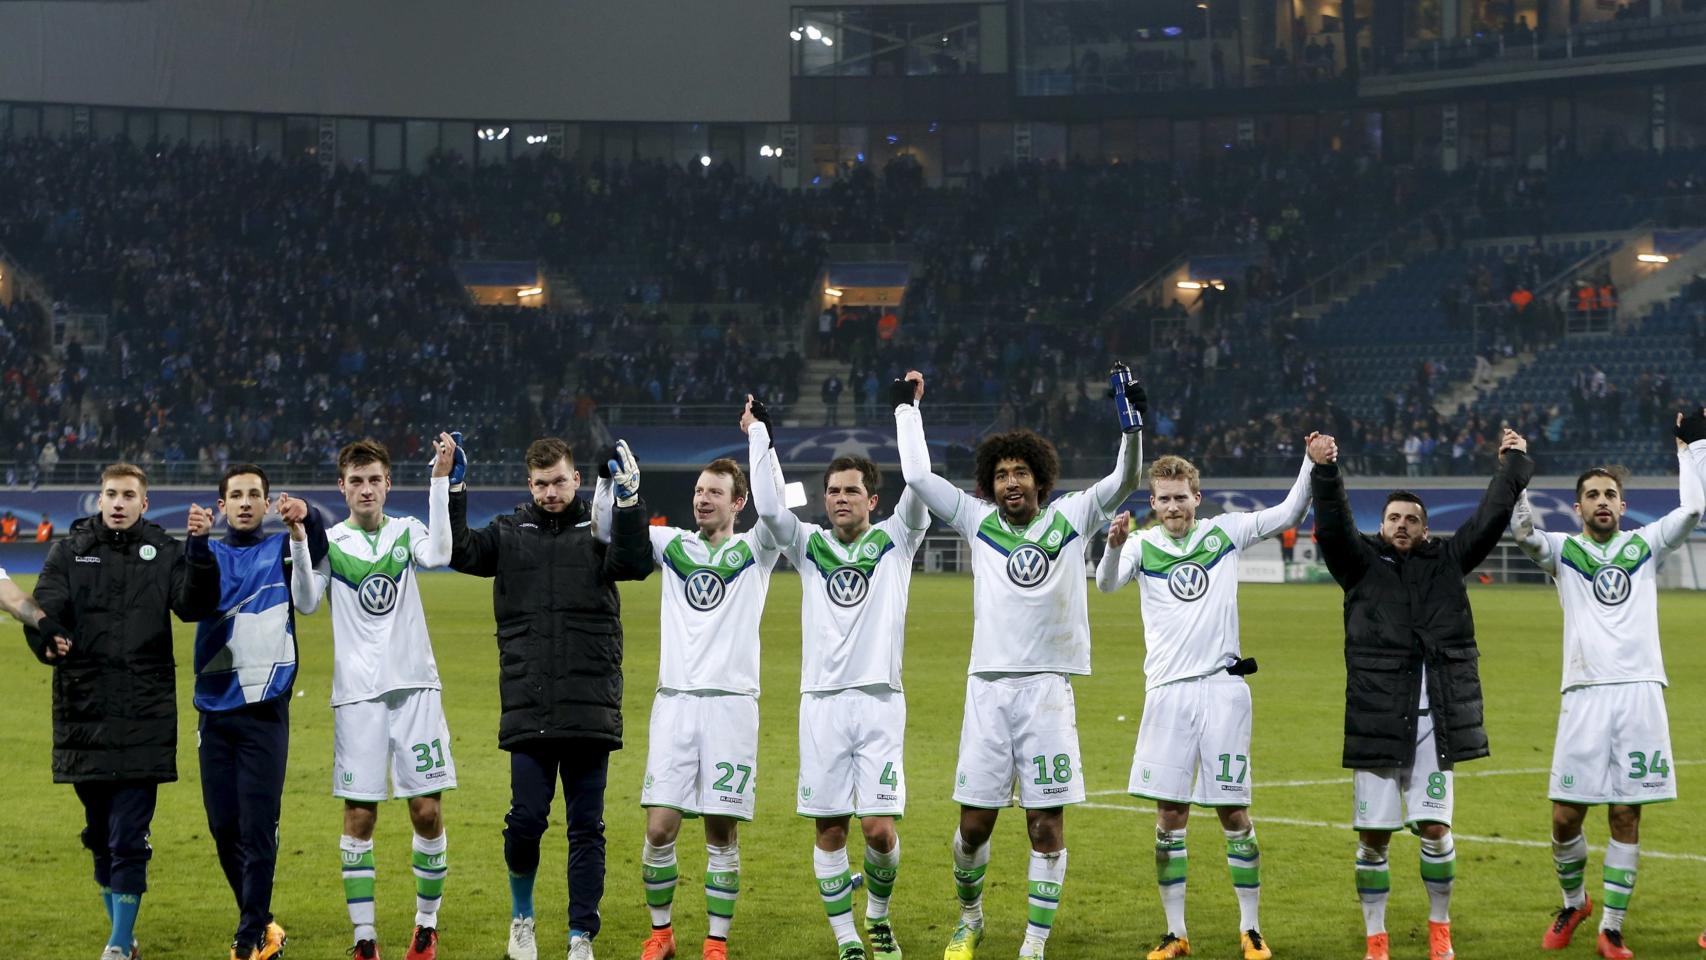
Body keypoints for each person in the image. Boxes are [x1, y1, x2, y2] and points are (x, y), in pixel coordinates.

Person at [896, 366, 1145, 960]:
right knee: (973, 828)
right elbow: (917, 474)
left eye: (1021, 472)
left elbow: (1126, 477)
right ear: (989, 483)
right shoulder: (977, 521)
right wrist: (907, 408)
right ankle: (971, 917)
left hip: (1047, 694)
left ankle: (1033, 944)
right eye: (1002, 473)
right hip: (987, 690)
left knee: (1045, 826)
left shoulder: (1072, 517)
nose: (1011, 481)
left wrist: (1131, 424)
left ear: (1040, 479)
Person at [1097, 439, 1331, 960]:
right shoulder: (1141, 547)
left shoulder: (1223, 533)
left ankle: (1251, 929)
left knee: (1232, 811)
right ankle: (1176, 933)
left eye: (1182, 497)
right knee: (1169, 815)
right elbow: (1106, 585)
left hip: (1223, 691)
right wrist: (1113, 545)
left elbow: (1291, 511)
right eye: (1164, 499)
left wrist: (1308, 463)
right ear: (1152, 504)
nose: (1174, 507)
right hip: (1166, 695)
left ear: (1197, 498)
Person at [1311, 427, 1533, 960]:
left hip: (1437, 717)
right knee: (1374, 838)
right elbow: (1334, 523)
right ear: (1380, 526)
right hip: (1377, 715)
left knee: (1435, 827)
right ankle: (1376, 937)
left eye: (1411, 519)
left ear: (1425, 528)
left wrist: (1514, 466)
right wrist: (1325, 471)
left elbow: (1489, 517)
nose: (1402, 525)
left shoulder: (1448, 561)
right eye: (1393, 519)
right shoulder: (1358, 565)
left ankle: (1440, 929)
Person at [448, 436, 654, 960]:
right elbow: (459, 552)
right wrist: (453, 488)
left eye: (559, 481)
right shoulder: (509, 532)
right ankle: (522, 918)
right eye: (540, 484)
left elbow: (634, 564)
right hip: (530, 704)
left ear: (577, 480)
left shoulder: (599, 529)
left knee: (587, 828)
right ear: (529, 485)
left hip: (589, 702)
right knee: (525, 822)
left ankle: (580, 935)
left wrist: (630, 500)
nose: (550, 492)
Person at [1510, 410, 1706, 960]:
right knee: (1565, 815)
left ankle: (1612, 928)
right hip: (1585, 694)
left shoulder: (1645, 546)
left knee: (1626, 814)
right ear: (1578, 507)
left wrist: (1690, 449)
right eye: (1592, 494)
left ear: (1622, 505)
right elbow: (1523, 533)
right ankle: (1575, 902)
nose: (1601, 501)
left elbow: (1693, 507)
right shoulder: (1564, 554)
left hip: (1641, 690)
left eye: (1610, 494)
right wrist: (1516, 472)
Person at [743, 386, 930, 960]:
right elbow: (771, 509)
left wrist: (907, 411)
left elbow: (920, 483)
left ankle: (876, 916)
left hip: (878, 702)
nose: (840, 498)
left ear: (873, 500)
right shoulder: (809, 546)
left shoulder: (897, 540)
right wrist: (758, 435)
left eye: (852, 491)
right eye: (832, 491)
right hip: (820, 702)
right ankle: (846, 938)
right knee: (829, 831)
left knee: (877, 830)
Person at [29, 462, 220, 960]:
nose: (118, 503)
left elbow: (193, 605)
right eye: (110, 494)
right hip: (84, 709)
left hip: (144, 710)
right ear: (99, 499)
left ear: (144, 503)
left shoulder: (165, 551)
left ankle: (117, 943)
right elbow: (45, 609)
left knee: (128, 832)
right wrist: (44, 638)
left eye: (128, 495)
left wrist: (199, 548)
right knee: (98, 833)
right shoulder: (69, 552)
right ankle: (125, 934)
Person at [294, 436, 458, 960]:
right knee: (360, 817)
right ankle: (364, 939)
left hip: (414, 690)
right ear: (342, 488)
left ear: (389, 484)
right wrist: (299, 538)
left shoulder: (406, 532)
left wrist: (439, 479)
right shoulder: (331, 542)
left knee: (426, 813)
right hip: (358, 698)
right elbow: (306, 602)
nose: (366, 489)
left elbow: (441, 553)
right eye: (356, 481)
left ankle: (425, 927)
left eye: (374, 480)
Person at [635, 453, 784, 960]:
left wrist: (760, 441)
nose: (702, 498)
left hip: (731, 707)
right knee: (659, 827)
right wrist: (620, 484)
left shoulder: (755, 550)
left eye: (715, 492)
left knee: (721, 831)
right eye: (700, 490)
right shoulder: (671, 544)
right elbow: (615, 526)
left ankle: (715, 941)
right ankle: (661, 934)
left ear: (737, 503)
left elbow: (777, 506)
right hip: (675, 703)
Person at [193, 464, 326, 960]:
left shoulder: (282, 550)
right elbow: (187, 599)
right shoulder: (206, 552)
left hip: (266, 706)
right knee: (223, 826)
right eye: (236, 495)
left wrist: (306, 519)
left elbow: (319, 561)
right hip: (213, 704)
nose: (245, 502)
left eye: (254, 494)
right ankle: (263, 920)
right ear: (222, 504)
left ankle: (250, 936)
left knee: (257, 826)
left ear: (268, 503)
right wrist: (192, 544)